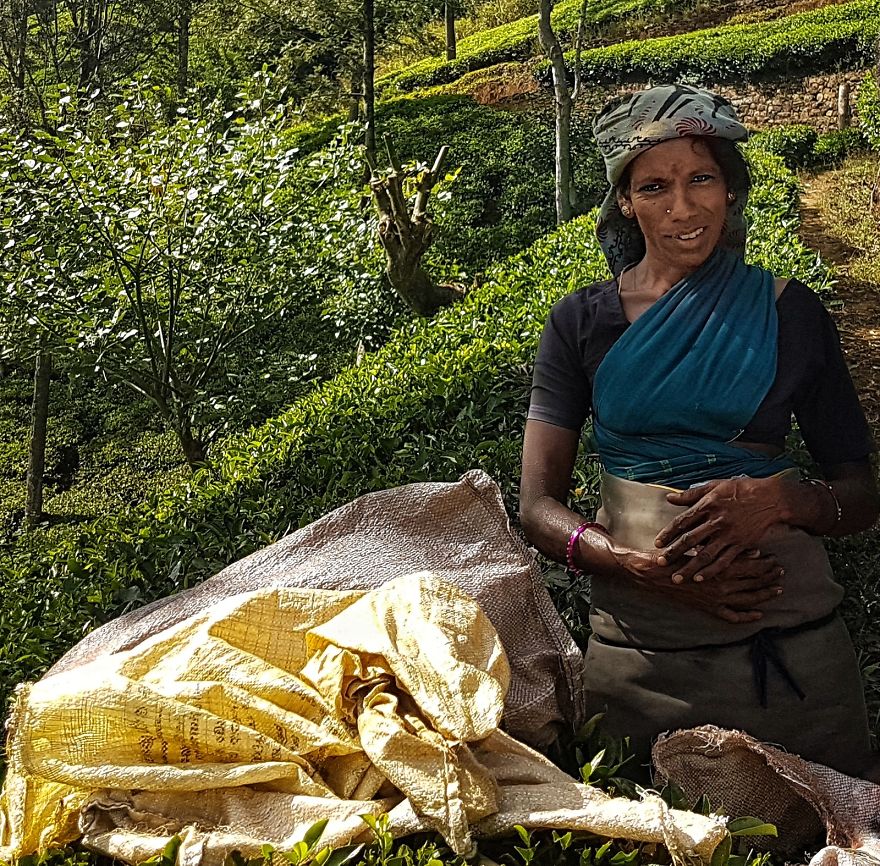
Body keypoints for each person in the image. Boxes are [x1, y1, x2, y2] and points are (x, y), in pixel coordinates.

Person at [519, 84, 880, 778]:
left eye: (702, 179)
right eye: (654, 187)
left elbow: (861, 494)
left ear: (731, 188)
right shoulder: (580, 323)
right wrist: (634, 566)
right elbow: (536, 509)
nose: (682, 209)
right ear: (624, 200)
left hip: (791, 655)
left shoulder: (792, 313)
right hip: (641, 656)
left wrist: (784, 501)